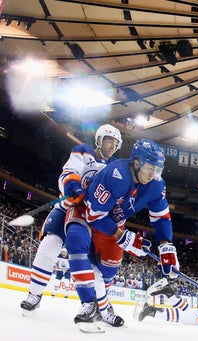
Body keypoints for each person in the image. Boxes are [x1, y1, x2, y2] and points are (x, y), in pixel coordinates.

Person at [64, 138, 180, 332]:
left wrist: (166, 246)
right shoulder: (115, 175)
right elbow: (95, 216)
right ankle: (90, 305)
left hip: (113, 223)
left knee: (108, 270)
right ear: (136, 163)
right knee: (76, 241)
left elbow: (161, 217)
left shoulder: (156, 184)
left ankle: (104, 304)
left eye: (158, 169)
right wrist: (123, 236)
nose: (154, 175)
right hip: (88, 213)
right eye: (150, 168)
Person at [20, 124, 123, 328]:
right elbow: (69, 171)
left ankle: (102, 307)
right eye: (110, 141)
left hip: (90, 217)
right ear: (100, 140)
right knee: (49, 245)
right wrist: (72, 185)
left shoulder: (114, 167)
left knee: (92, 265)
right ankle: (34, 294)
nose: (113, 146)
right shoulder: (82, 151)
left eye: (116, 144)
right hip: (67, 207)